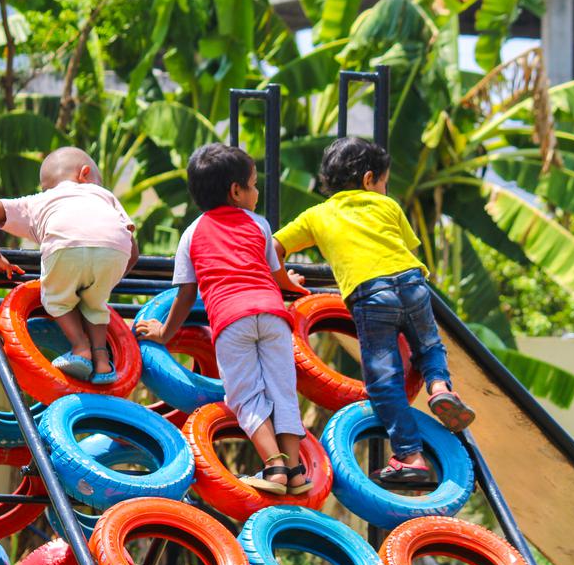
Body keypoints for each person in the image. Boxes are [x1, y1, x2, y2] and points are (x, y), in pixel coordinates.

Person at [273, 137, 475, 486]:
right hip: (412, 283)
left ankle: (411, 456)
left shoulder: (316, 215)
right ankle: (440, 388)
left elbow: (272, 246)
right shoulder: (388, 206)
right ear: (370, 180)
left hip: (370, 295)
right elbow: (407, 247)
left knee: (384, 379)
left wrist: (285, 280)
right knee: (428, 347)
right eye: (384, 181)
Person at [135, 143, 311, 495]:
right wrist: (295, 285)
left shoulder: (192, 234)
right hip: (273, 315)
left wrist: (164, 333)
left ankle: (273, 467)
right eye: (254, 184)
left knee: (245, 395)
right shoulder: (258, 224)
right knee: (282, 390)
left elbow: (186, 296)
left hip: (232, 321)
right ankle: (295, 469)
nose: (257, 191)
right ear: (236, 191)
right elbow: (277, 276)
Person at [0, 147, 138, 384]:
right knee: (96, 303)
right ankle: (102, 362)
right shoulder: (106, 196)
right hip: (114, 252)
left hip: (65, 248)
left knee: (56, 299)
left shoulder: (39, 200)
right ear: (85, 174)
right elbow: (133, 249)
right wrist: (110, 279)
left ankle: (81, 348)